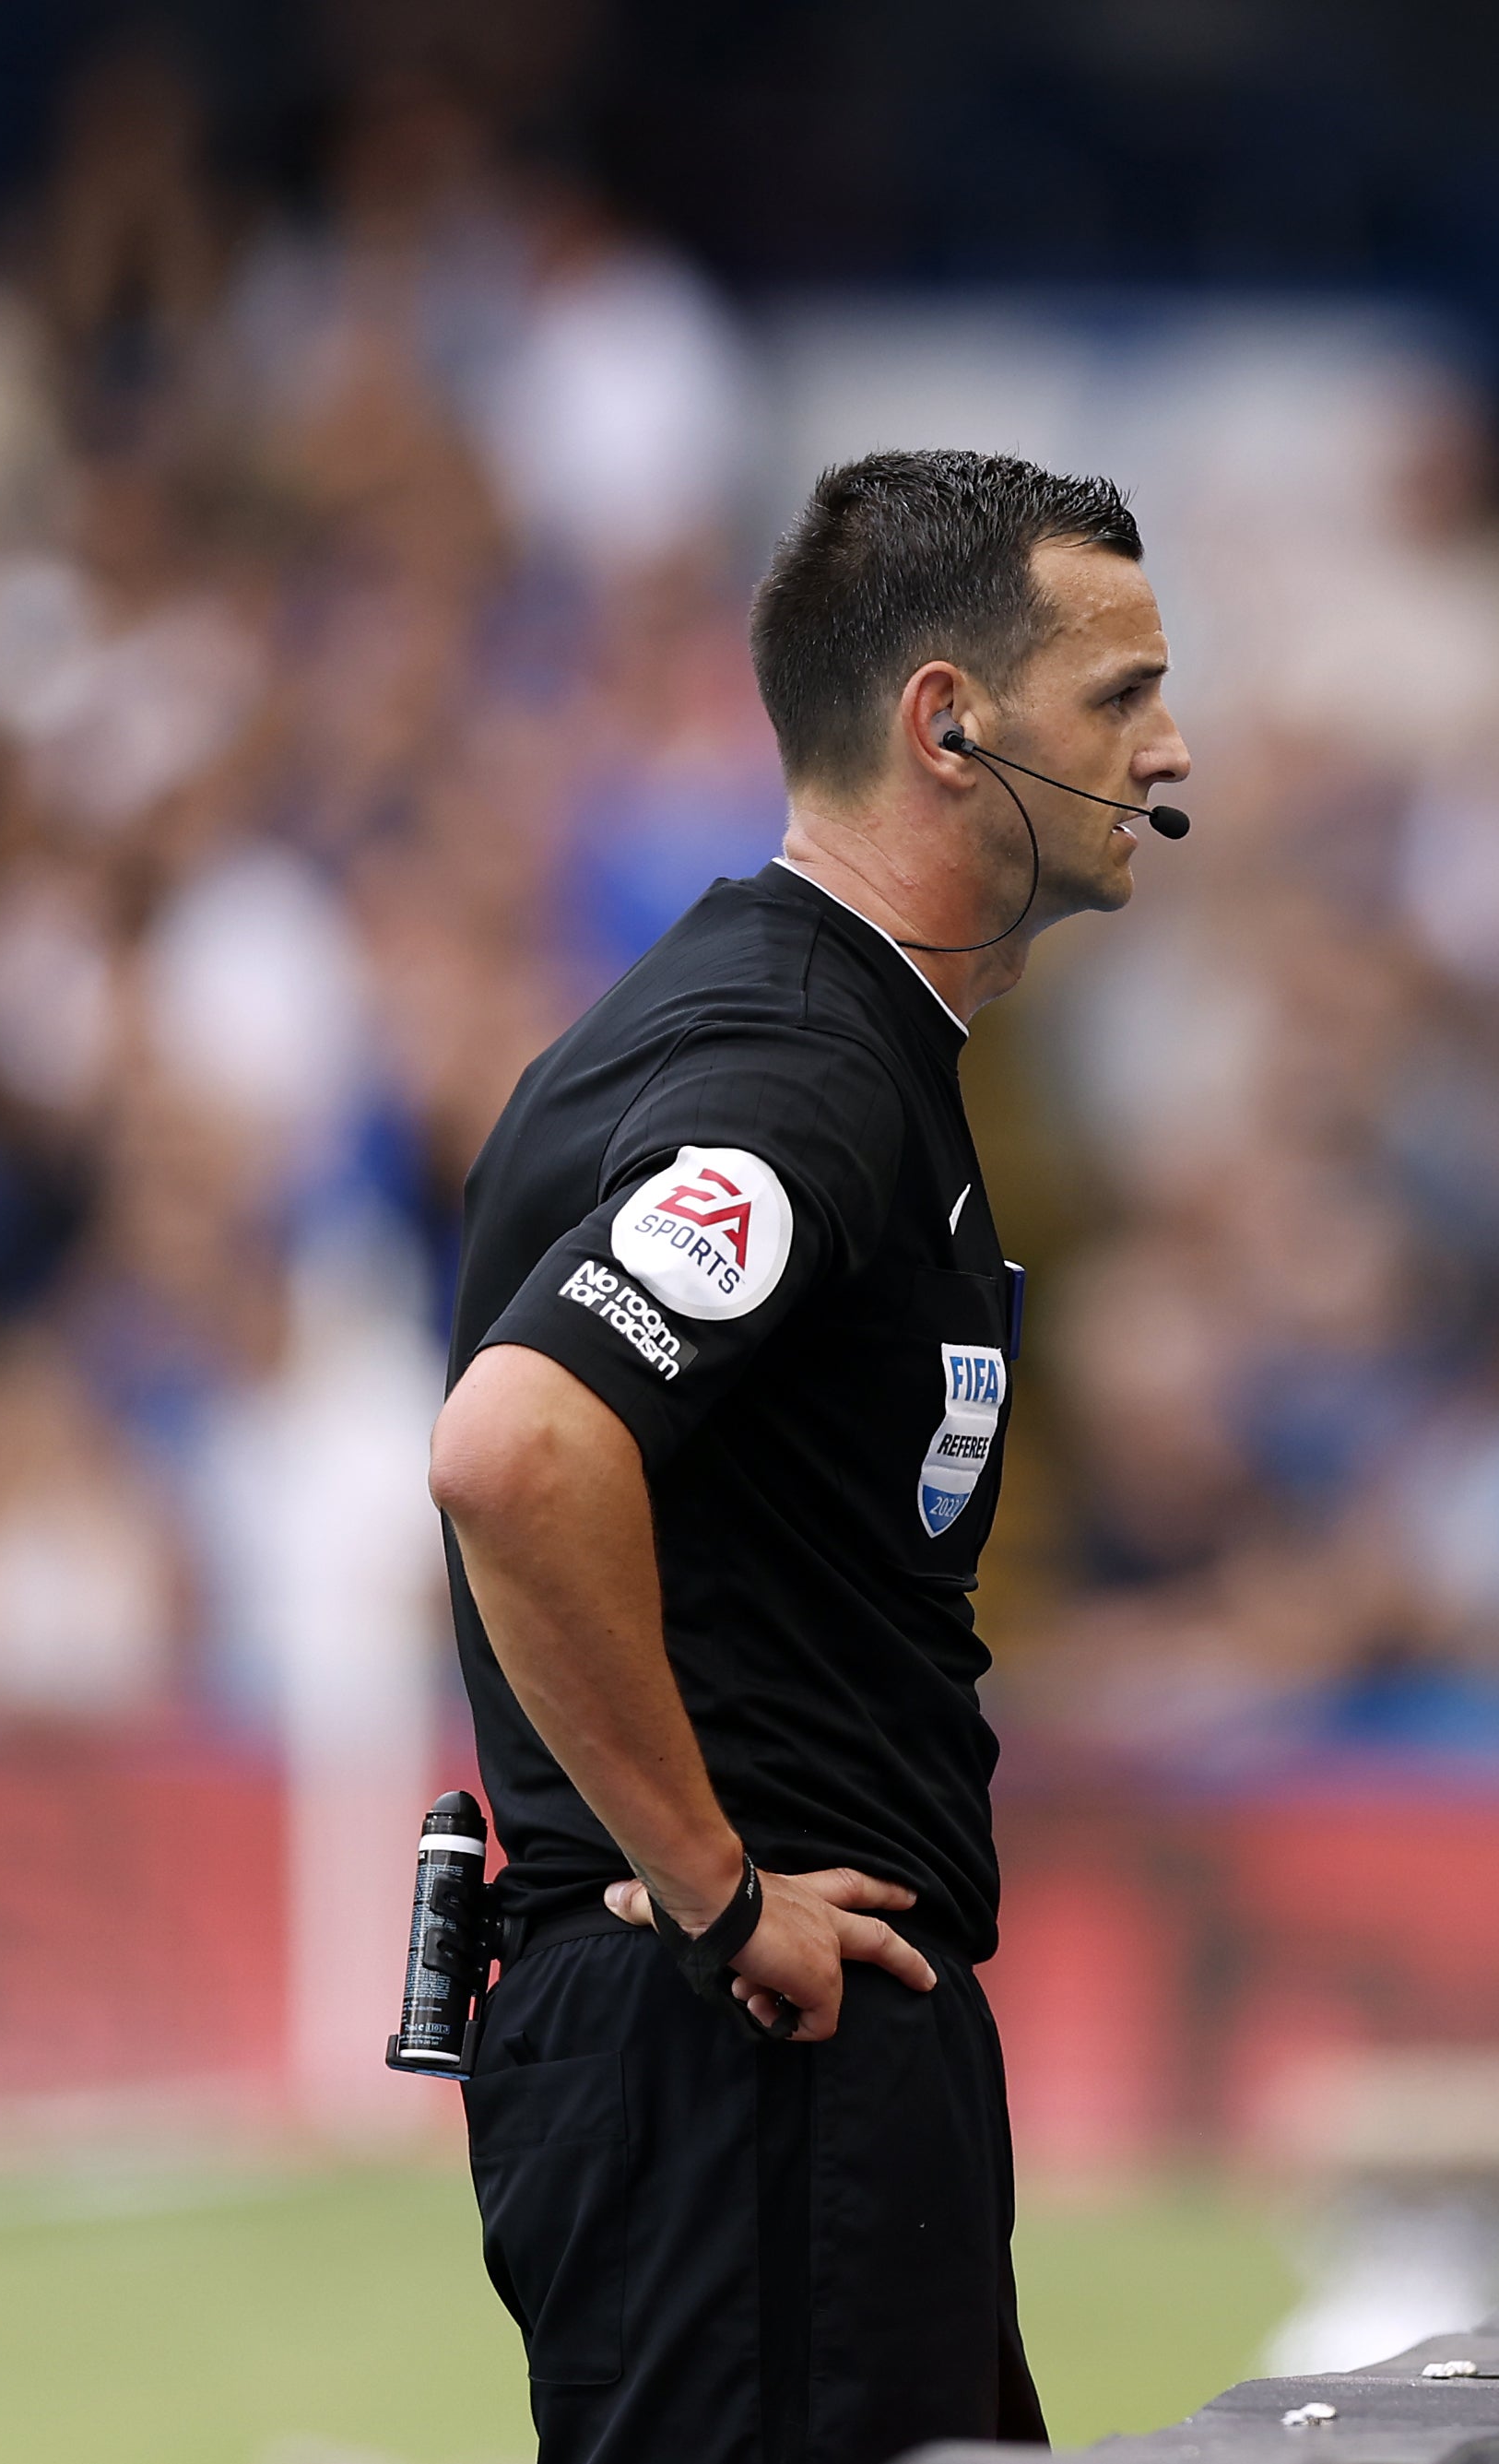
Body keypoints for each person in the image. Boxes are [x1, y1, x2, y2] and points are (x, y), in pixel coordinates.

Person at [425, 449, 1189, 2459]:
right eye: (1118, 695)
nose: (1167, 746)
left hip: (781, 2061)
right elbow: (516, 1444)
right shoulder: (796, 1073)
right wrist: (711, 1886)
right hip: (754, 2053)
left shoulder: (802, 1039)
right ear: (949, 721)